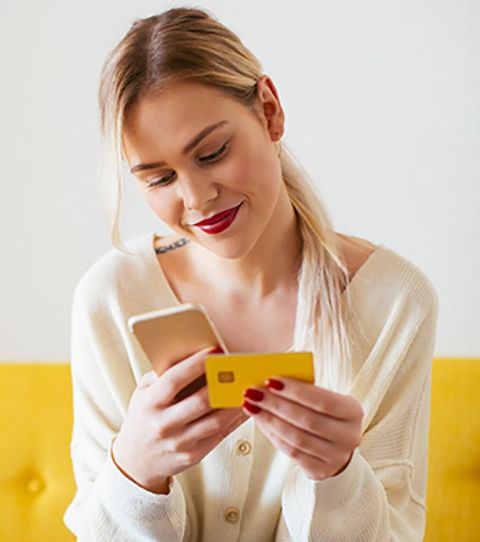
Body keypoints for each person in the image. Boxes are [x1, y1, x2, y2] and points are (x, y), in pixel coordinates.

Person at [63, 7, 439, 541]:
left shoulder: (395, 302)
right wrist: (135, 472)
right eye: (160, 177)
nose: (196, 198)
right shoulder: (110, 299)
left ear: (270, 111)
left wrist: (337, 480)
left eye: (212, 153)